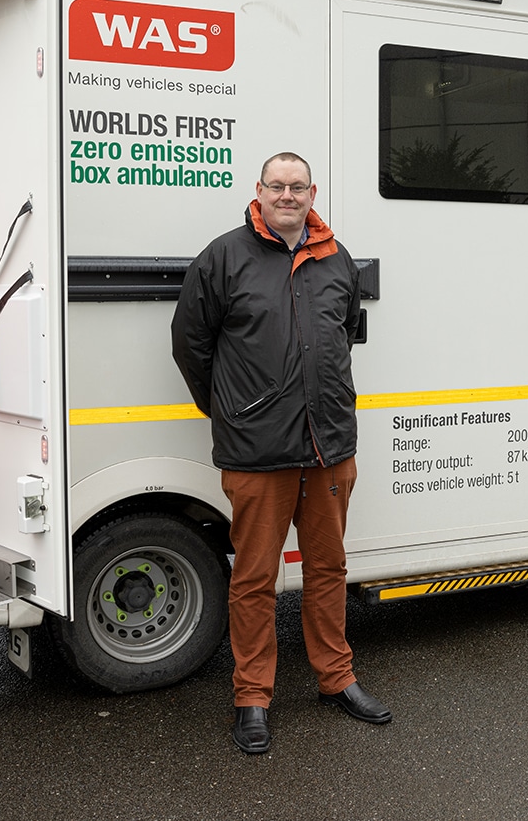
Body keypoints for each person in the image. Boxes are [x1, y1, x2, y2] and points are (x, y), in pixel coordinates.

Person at [171, 151, 390, 754]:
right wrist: (232, 410)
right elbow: (190, 344)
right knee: (255, 578)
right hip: (256, 451)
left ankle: (336, 678)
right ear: (259, 191)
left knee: (328, 570)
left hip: (329, 447)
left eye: (298, 187)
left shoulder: (335, 258)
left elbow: (343, 332)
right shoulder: (224, 256)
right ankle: (252, 697)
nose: (288, 195)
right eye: (277, 185)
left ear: (312, 192)